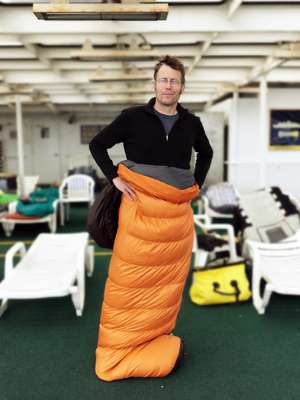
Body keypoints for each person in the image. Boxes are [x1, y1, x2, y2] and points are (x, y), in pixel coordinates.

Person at [89, 55, 213, 382]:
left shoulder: (191, 123)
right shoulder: (133, 117)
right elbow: (98, 144)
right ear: (155, 83)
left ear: (182, 87)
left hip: (176, 215)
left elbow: (207, 152)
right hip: (140, 210)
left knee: (165, 287)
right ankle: (120, 348)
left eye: (174, 81)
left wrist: (196, 183)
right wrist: (113, 176)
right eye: (163, 80)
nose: (168, 86)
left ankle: (151, 340)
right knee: (129, 281)